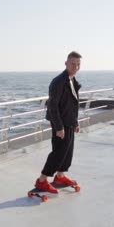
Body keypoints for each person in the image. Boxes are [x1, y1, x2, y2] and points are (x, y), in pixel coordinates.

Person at [35, 51, 82, 193]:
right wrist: (59, 127)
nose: (76, 67)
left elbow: (71, 104)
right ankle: (42, 180)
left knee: (68, 152)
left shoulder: (71, 80)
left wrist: (75, 122)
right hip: (60, 123)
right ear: (66, 63)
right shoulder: (58, 82)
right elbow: (53, 106)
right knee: (58, 153)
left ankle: (60, 177)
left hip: (69, 122)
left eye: (78, 64)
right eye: (73, 63)